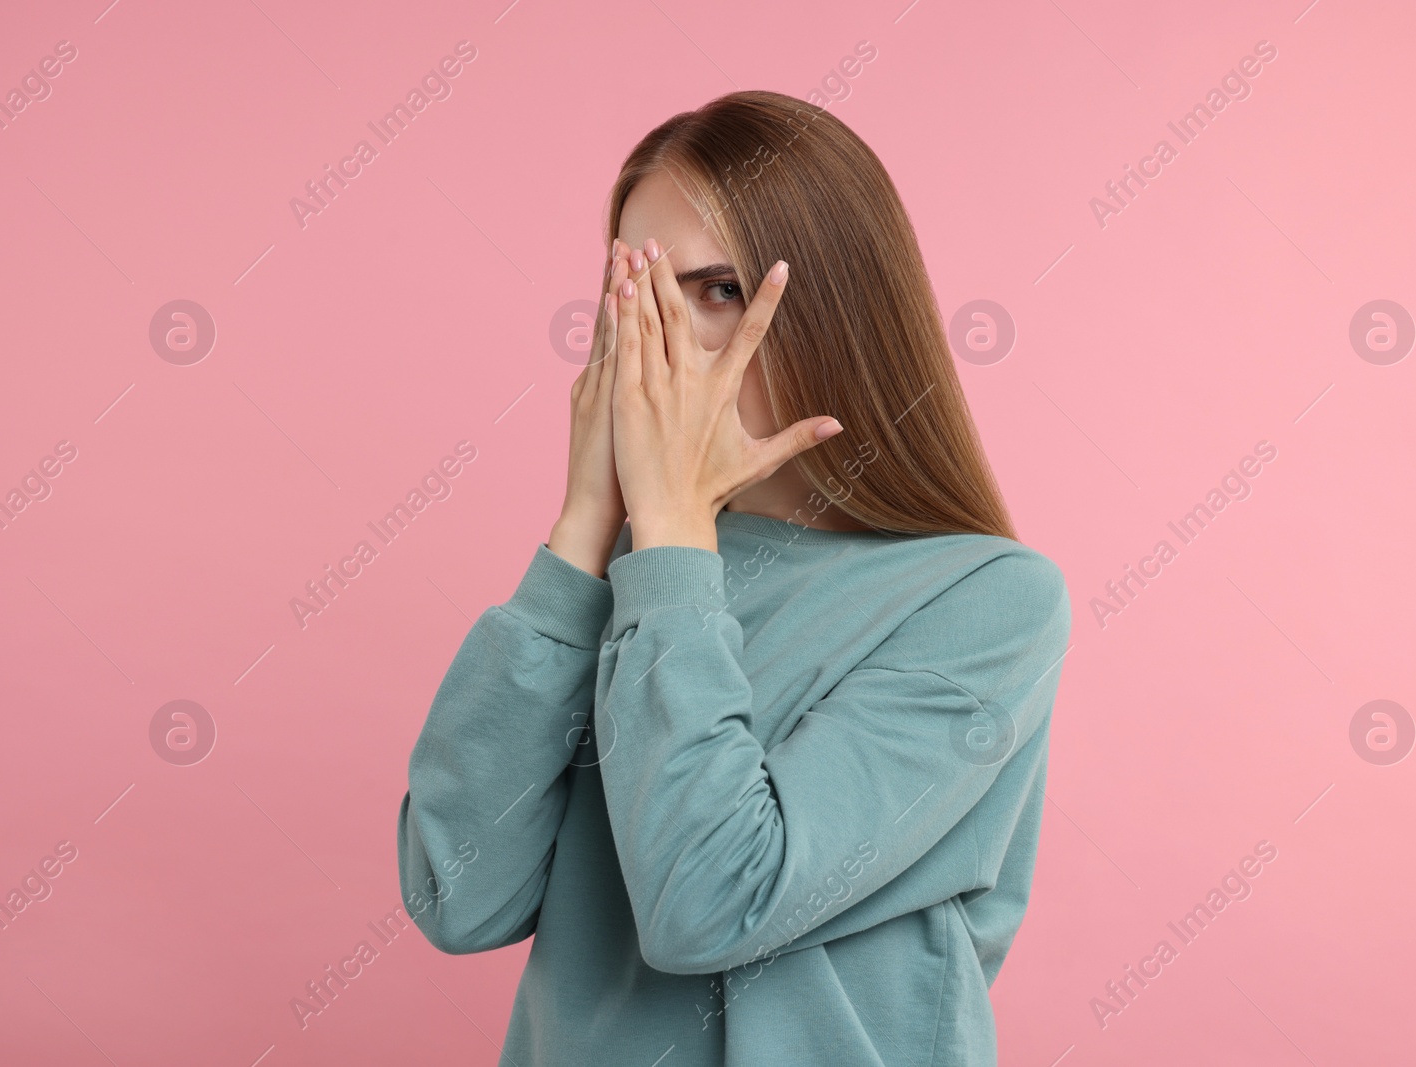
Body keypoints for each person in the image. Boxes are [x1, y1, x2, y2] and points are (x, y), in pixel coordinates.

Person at [396, 89, 1072, 1066]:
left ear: (832, 306)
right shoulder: (636, 574)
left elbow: (712, 903)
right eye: (638, 292)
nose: (664, 348)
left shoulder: (984, 601)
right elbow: (455, 894)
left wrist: (666, 531)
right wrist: (587, 527)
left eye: (715, 289)